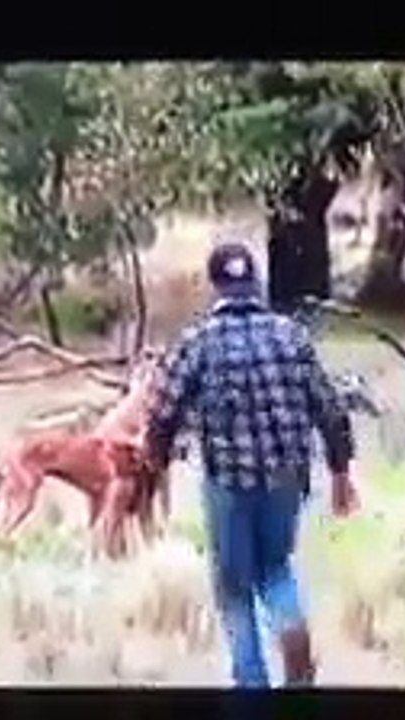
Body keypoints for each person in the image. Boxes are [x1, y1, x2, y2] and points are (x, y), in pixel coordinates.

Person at [146, 240, 359, 689]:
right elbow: (330, 407)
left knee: (234, 587)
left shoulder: (199, 341)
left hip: (230, 484)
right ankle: (292, 626)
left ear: (216, 286)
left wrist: (156, 461)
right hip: (286, 480)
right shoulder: (291, 335)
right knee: (276, 567)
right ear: (255, 283)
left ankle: (252, 682)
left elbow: (163, 410)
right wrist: (341, 475)